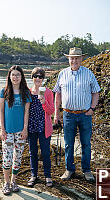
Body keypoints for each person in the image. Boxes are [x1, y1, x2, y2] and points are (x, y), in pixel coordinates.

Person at [53, 47, 101, 181]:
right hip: (68, 115)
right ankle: (69, 170)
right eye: (72, 58)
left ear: (81, 59)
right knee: (68, 144)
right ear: (68, 59)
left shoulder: (89, 74)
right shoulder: (62, 74)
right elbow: (58, 94)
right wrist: (57, 113)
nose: (74, 60)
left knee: (86, 143)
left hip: (85, 115)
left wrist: (92, 108)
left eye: (77, 58)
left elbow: (95, 92)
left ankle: (87, 170)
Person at [0, 65, 31, 195]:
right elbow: (1, 111)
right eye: (13, 75)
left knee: (17, 157)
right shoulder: (4, 91)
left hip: (20, 131)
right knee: (7, 158)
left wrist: (25, 129)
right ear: (9, 76)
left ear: (21, 77)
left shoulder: (26, 93)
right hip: (7, 131)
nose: (15, 77)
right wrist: (2, 129)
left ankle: (13, 181)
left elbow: (26, 113)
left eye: (18, 75)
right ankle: (6, 183)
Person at [27, 67, 55, 187]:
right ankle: (34, 175)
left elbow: (51, 111)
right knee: (32, 152)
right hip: (31, 126)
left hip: (44, 126)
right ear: (32, 77)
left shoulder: (47, 92)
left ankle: (47, 175)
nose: (38, 78)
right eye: (35, 76)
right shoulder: (27, 92)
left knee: (45, 153)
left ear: (43, 79)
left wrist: (44, 102)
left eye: (40, 77)